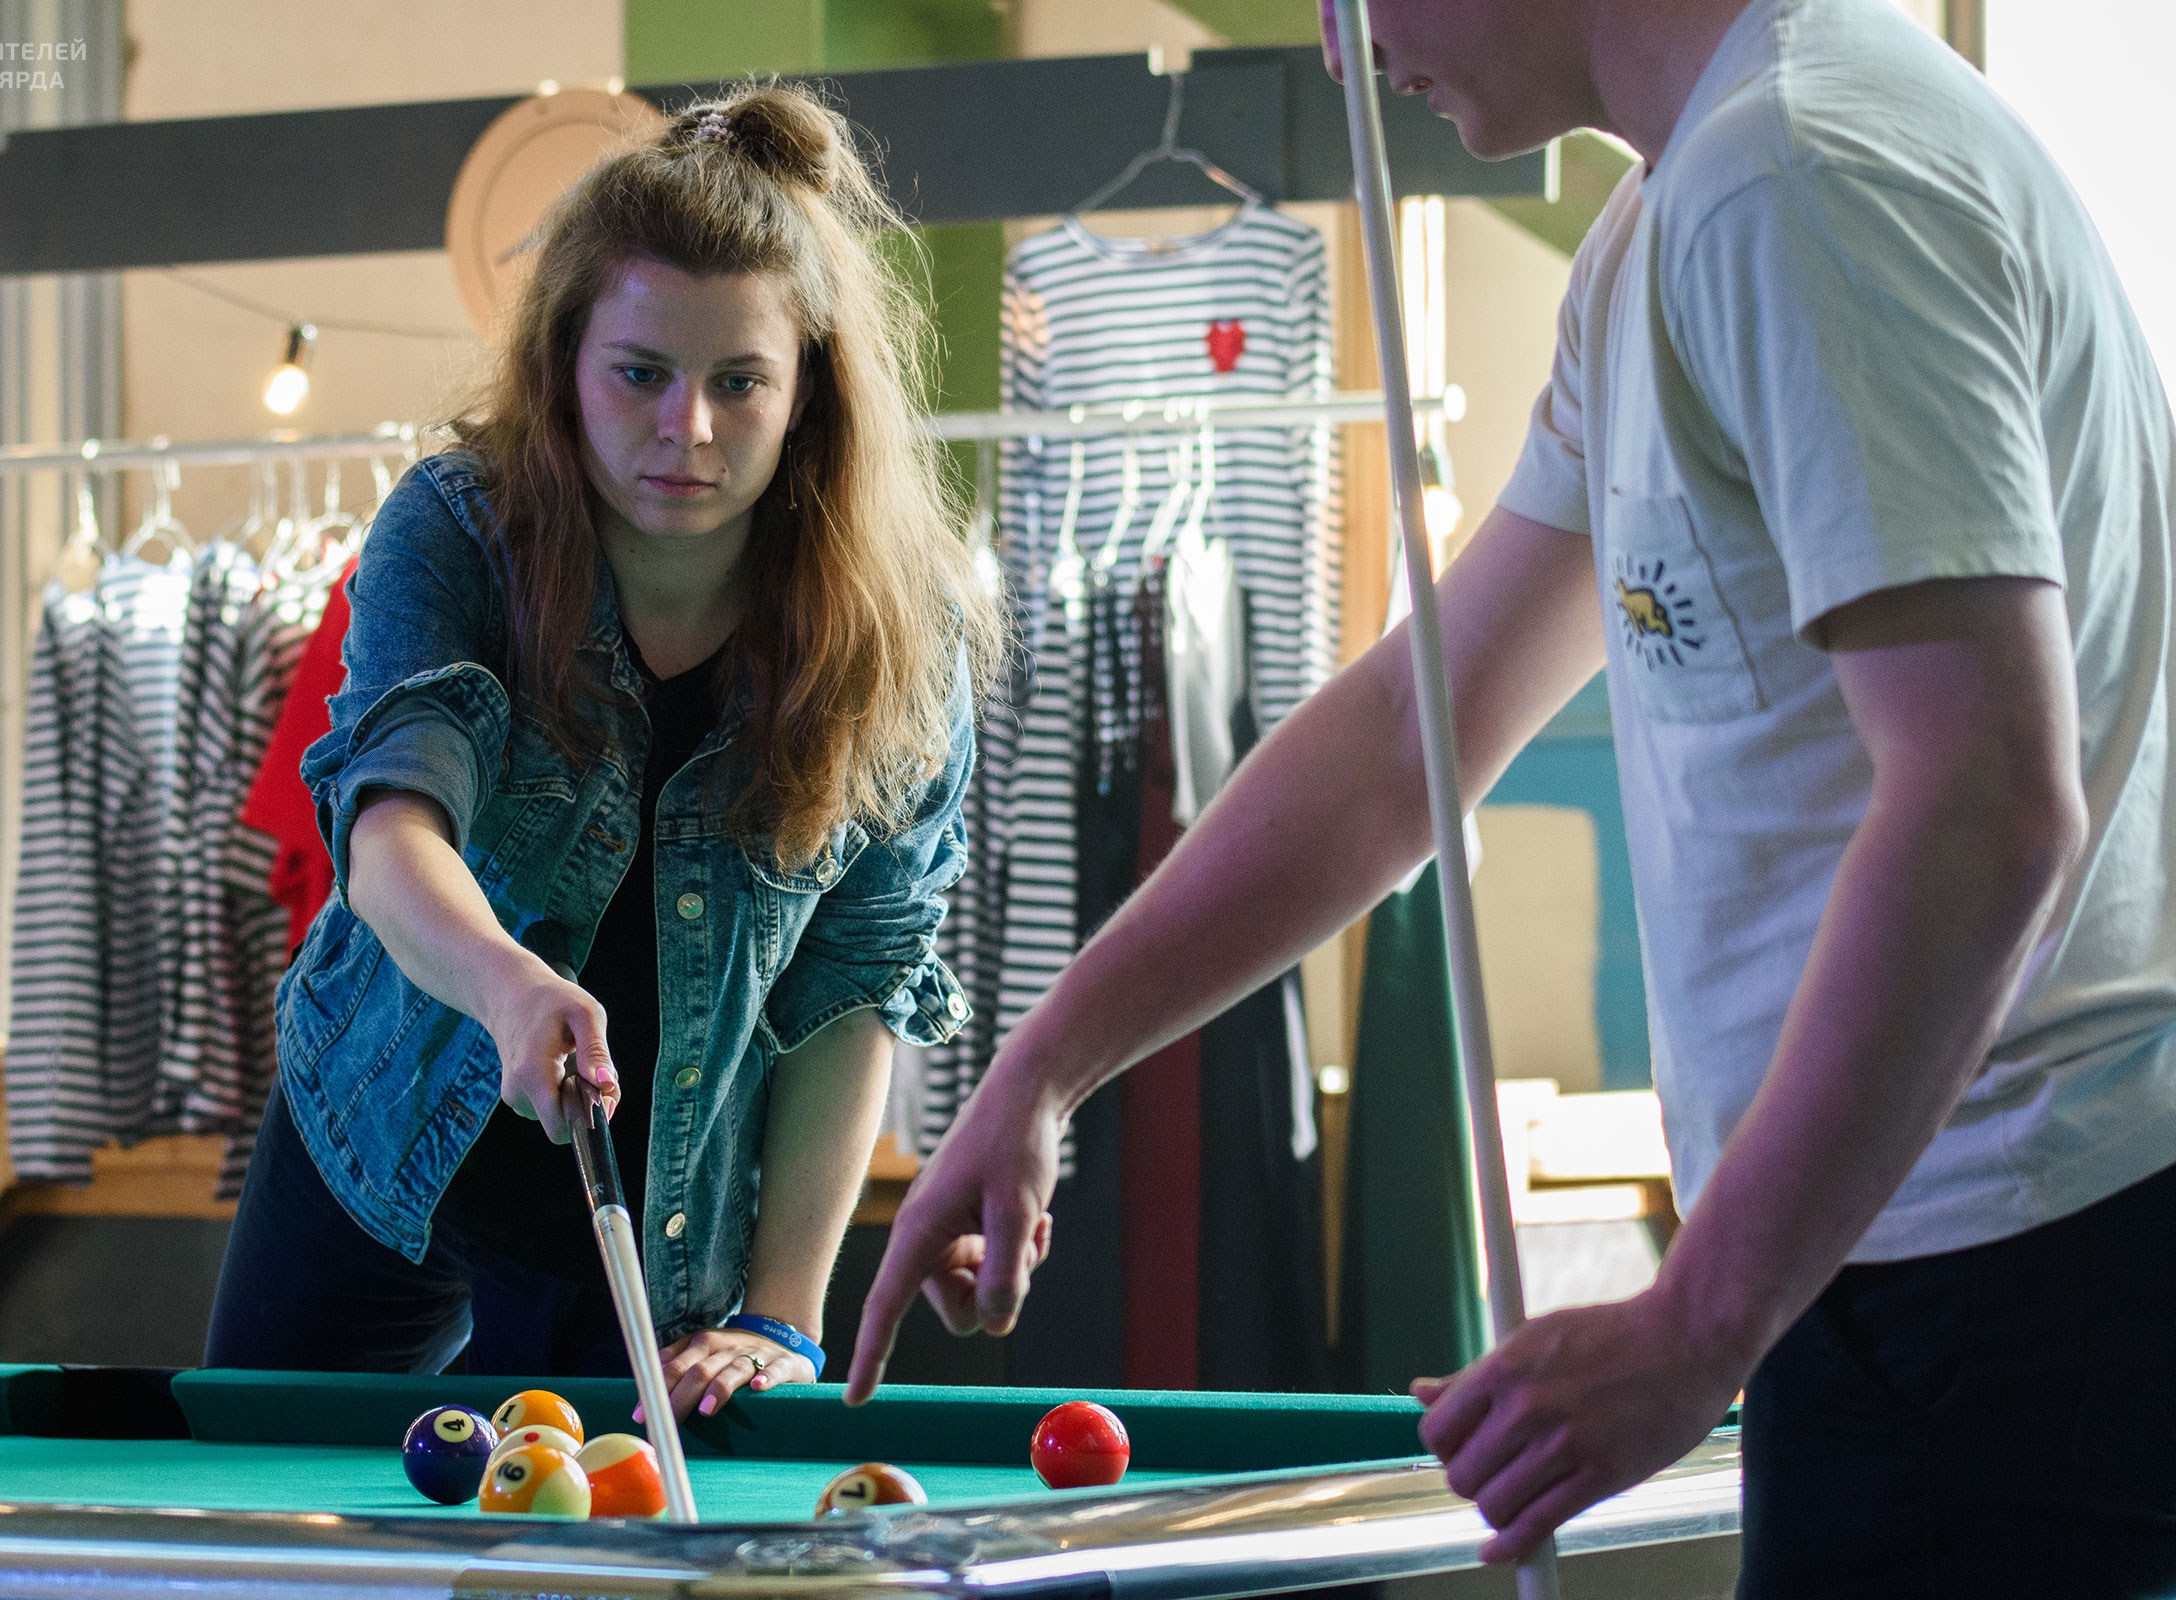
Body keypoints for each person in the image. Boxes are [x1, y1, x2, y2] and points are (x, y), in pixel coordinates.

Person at [846, 0, 2176, 1592]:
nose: (1340, 47)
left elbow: (1990, 800)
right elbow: (1411, 730)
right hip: (1917, 1265)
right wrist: (1046, 1066)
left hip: (2001, 1280)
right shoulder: (1672, 221)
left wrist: (1696, 1319)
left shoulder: (1794, 173)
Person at [205, 84, 998, 1420]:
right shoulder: (460, 528)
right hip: (376, 1127)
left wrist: (784, 1315)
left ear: (806, 391)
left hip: (656, 1208)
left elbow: (859, 978)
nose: (687, 429)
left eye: (739, 382)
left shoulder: (900, 628)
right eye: (641, 374)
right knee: (261, 1495)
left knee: (593, 1524)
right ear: (565, 364)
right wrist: (510, 987)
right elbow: (391, 824)